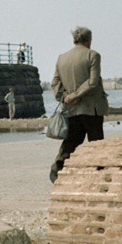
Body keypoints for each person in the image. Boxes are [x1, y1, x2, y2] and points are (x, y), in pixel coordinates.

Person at [49, 26, 108, 183]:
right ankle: (99, 172)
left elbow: (54, 83)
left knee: (71, 141)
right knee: (96, 142)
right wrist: (76, 95)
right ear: (89, 40)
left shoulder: (62, 58)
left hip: (72, 108)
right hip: (91, 108)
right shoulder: (93, 55)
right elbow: (93, 82)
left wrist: (65, 98)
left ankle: (57, 170)